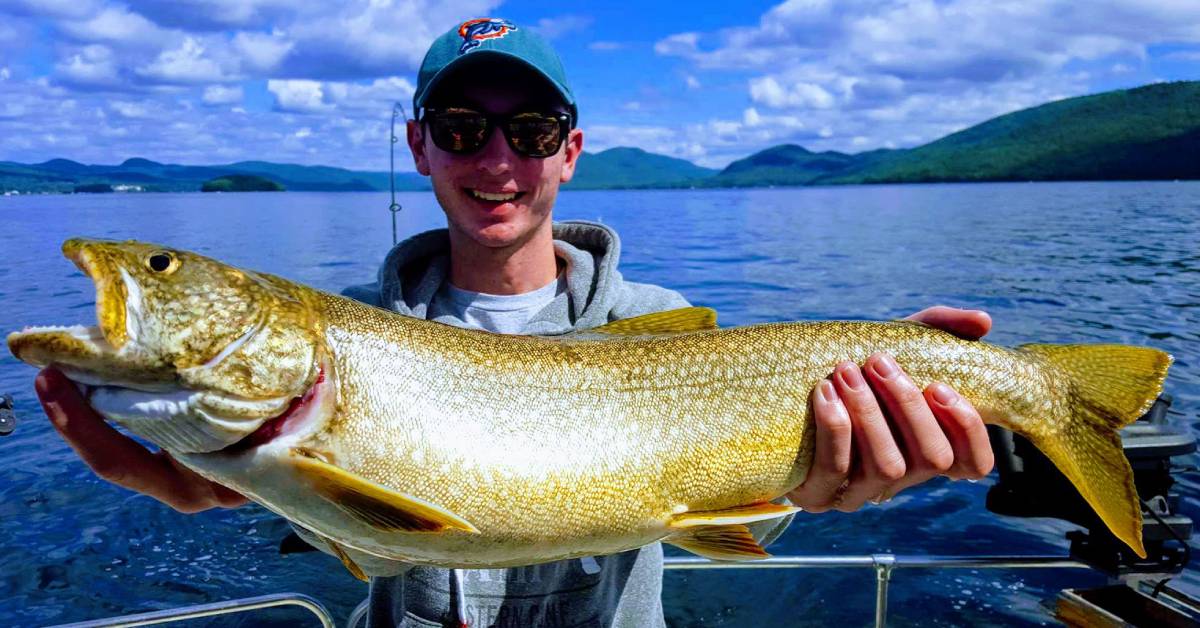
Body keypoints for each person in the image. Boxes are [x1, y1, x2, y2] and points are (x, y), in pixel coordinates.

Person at [34, 18, 995, 628]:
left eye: (529, 133)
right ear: (419, 146)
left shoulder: (665, 327)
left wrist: (855, 440)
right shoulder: (356, 339)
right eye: (460, 127)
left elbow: (747, 491)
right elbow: (357, 529)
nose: (496, 159)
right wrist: (240, 485)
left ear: (568, 152)